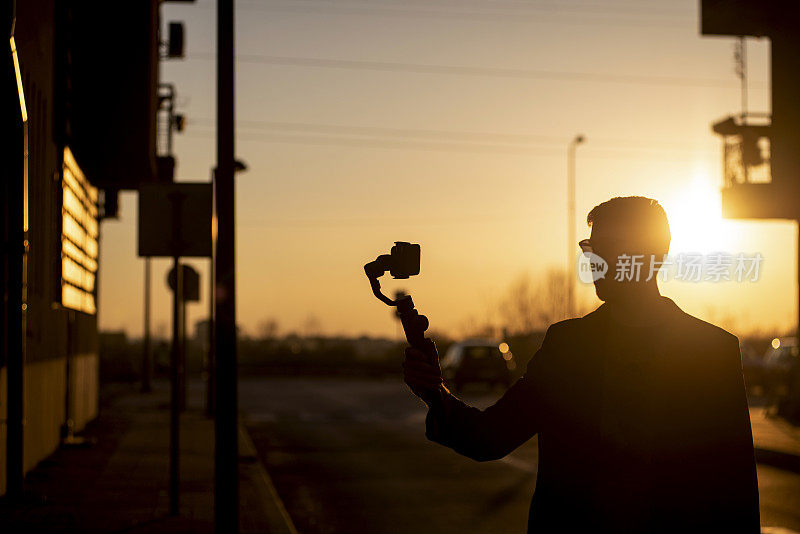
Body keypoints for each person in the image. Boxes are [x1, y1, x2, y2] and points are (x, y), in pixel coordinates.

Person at [403, 196, 760, 533]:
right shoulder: (567, 346)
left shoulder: (712, 352)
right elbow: (491, 436)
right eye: (592, 249)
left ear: (653, 257)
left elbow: (736, 490)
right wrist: (435, 394)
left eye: (610, 249)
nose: (595, 261)